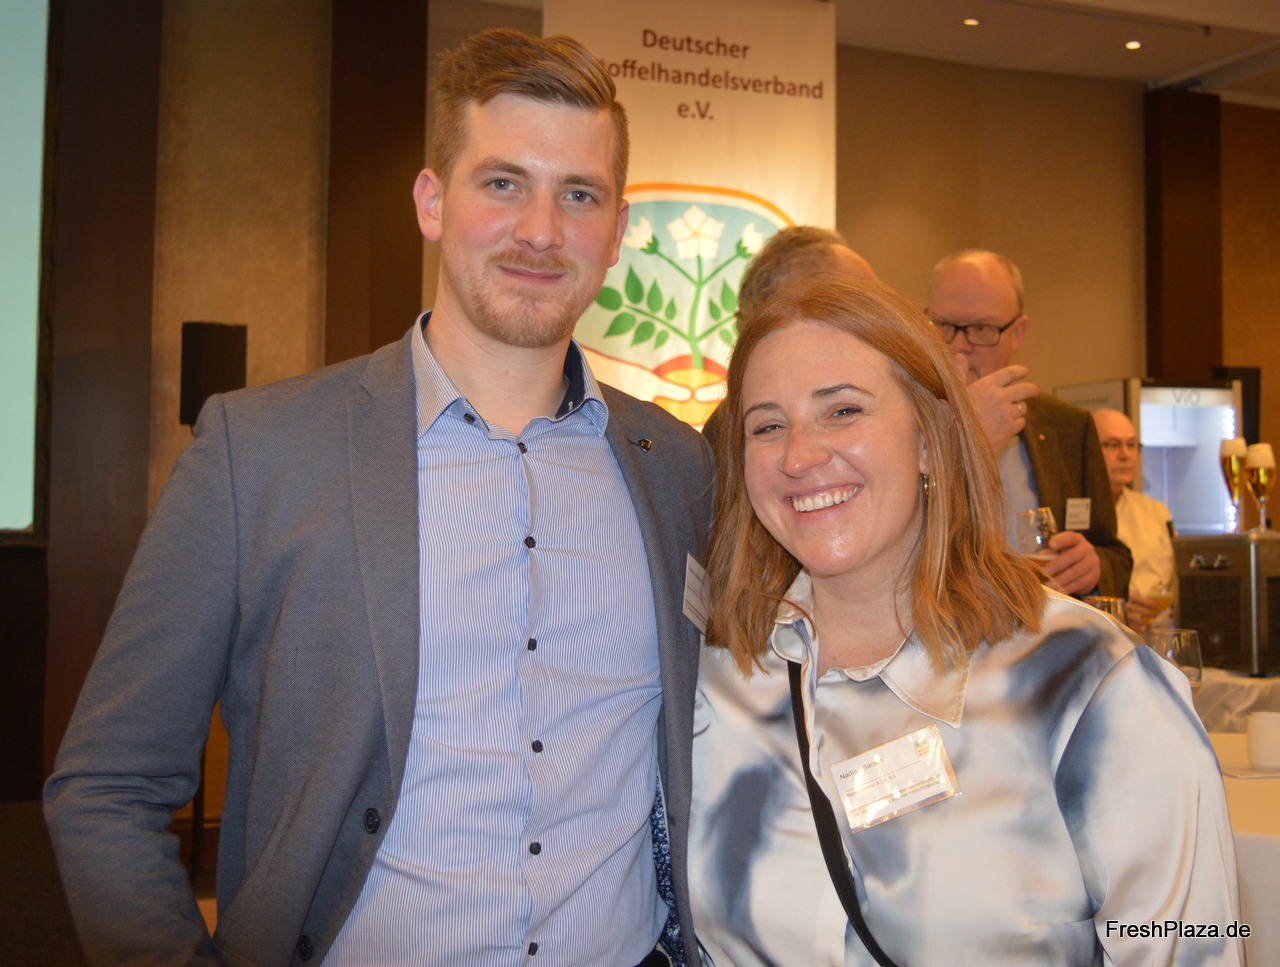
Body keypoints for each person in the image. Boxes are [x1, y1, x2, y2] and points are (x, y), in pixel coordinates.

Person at [44, 29, 711, 967]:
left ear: (618, 227)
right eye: (503, 183)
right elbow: (108, 784)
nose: (540, 230)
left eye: (579, 194)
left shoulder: (678, 468)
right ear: (432, 201)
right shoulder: (257, 453)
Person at [690, 277, 1241, 965]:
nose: (799, 456)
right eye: (767, 425)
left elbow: (1186, 942)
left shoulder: (1089, 684)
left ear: (930, 439)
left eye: (843, 411)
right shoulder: (715, 685)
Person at [703, 229, 1034, 454]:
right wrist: (964, 442)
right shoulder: (731, 432)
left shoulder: (890, 396)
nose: (883, 316)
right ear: (789, 309)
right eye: (859, 301)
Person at [928, 250, 1131, 597]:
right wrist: (964, 437)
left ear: (1018, 333)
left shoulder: (1068, 427)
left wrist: (1094, 565)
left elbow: (1113, 553)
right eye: (942, 325)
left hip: (1045, 625)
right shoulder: (897, 421)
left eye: (981, 328)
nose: (958, 346)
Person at [1093, 408, 1177, 634]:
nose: (1125, 455)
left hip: (1158, 636)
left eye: (1131, 445)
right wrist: (1113, 607)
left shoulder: (1156, 511)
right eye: (1112, 445)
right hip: (1104, 637)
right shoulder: (1073, 513)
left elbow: (1176, 579)